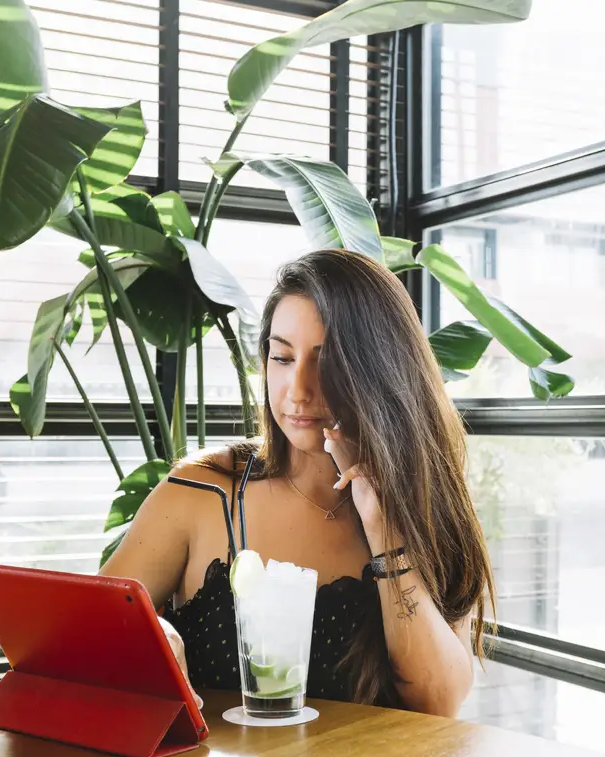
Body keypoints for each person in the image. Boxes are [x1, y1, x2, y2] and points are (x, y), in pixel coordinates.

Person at [100, 249, 495, 716]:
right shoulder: (201, 492)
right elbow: (86, 640)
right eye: (282, 358)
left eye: (327, 362)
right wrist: (152, 636)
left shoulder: (427, 503)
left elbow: (437, 700)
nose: (298, 391)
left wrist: (384, 526)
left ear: (382, 372)